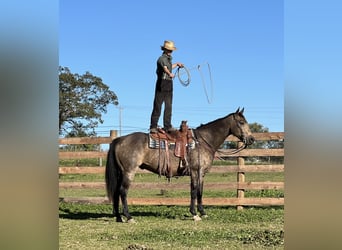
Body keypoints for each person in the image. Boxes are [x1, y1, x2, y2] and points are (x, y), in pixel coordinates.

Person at [149, 40, 183, 133]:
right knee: (158, 105)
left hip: (169, 83)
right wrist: (170, 73)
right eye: (170, 50)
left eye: (172, 50)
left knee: (168, 105)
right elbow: (165, 68)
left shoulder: (169, 59)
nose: (171, 52)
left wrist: (177, 64)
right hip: (162, 82)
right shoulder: (161, 59)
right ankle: (153, 126)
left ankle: (167, 125)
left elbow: (170, 66)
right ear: (165, 50)